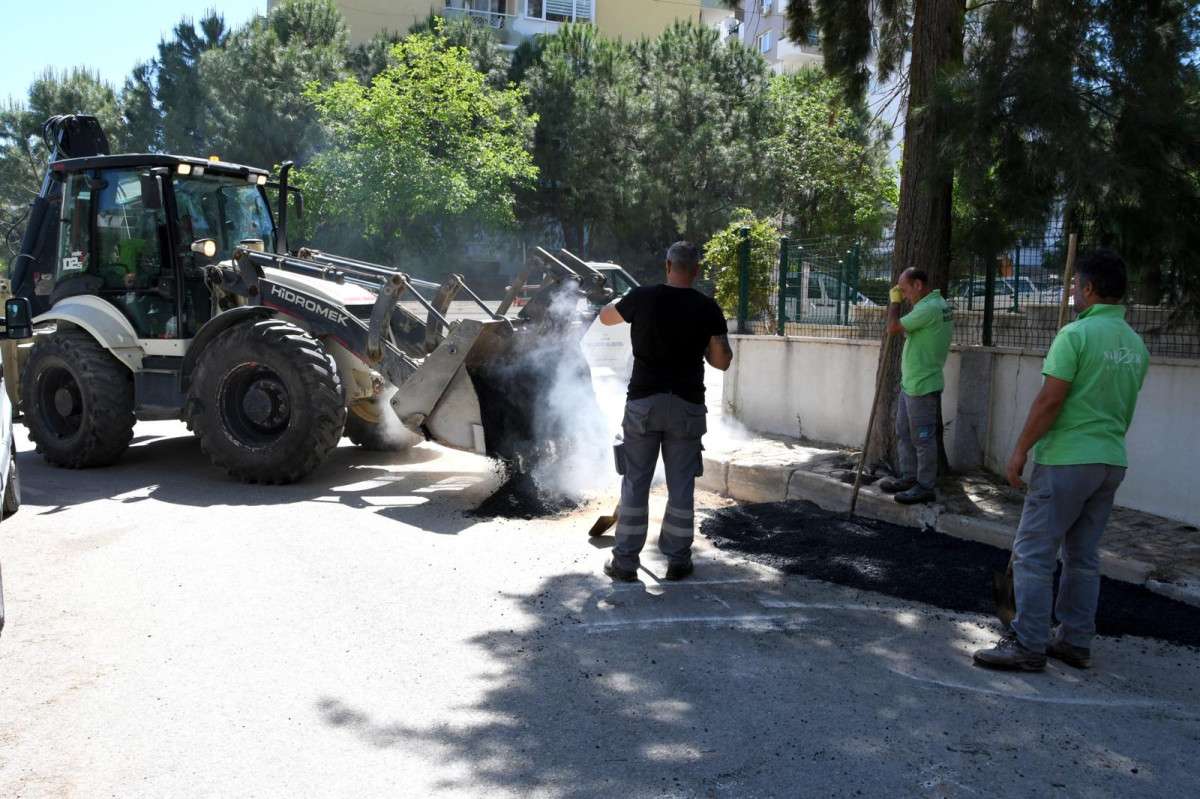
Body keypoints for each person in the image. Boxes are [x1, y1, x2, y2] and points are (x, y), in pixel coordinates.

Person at [973, 250, 1148, 672]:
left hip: (1068, 459)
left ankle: (1029, 643)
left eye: (1074, 285)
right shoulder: (1134, 343)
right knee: (1083, 555)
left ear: (1089, 289)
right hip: (1109, 462)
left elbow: (1051, 399)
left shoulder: (1075, 336)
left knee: (1033, 551)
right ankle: (1074, 640)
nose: (1071, 292)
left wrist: (1019, 451)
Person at [596, 241, 732, 582]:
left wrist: (621, 302)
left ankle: (625, 562)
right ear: (696, 271)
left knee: (636, 480)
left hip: (644, 404)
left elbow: (606, 317)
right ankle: (678, 560)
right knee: (681, 484)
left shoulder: (643, 297)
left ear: (667, 265)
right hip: (686, 406)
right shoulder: (707, 307)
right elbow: (722, 361)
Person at [880, 268, 953, 504]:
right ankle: (909, 477)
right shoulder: (935, 304)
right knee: (903, 432)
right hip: (911, 383)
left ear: (919, 285)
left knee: (923, 439)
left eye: (904, 289)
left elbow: (892, 328)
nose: (902, 294)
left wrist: (894, 304)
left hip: (922, 385)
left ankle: (925, 486)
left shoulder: (929, 308)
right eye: (899, 292)